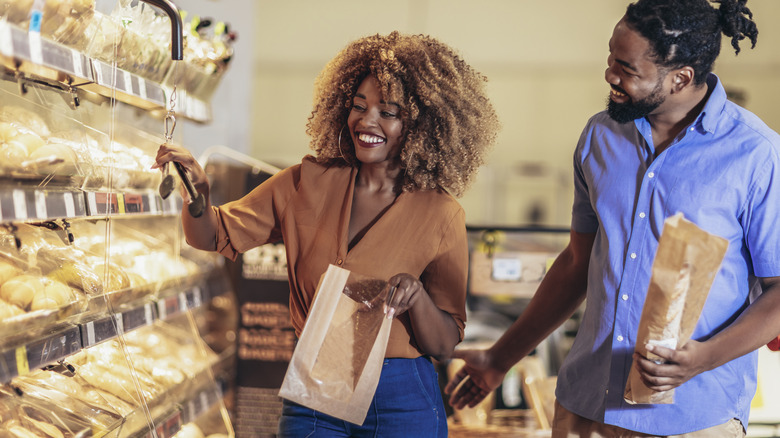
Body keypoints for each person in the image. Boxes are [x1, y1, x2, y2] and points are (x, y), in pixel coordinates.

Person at [445, 0, 780, 436]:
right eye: (610, 59)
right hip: (586, 408)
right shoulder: (600, 135)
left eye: (627, 69)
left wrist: (701, 358)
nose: (610, 75)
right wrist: (500, 357)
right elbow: (574, 265)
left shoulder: (757, 154)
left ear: (681, 78)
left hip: (692, 418)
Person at [155, 31, 499, 437]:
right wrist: (198, 196)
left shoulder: (442, 214)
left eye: (388, 112)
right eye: (358, 106)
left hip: (401, 399)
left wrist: (417, 298)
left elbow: (443, 344)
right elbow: (213, 235)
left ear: (421, 124)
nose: (367, 121)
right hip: (314, 387)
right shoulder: (304, 183)